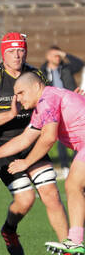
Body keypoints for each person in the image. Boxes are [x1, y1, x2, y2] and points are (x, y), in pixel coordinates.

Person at [0, 72, 85, 255]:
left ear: (37, 87)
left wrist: (26, 162)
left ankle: (74, 242)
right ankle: (75, 242)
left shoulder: (47, 98)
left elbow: (48, 138)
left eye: (21, 93)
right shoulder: (44, 105)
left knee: (73, 185)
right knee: (76, 188)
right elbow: (24, 139)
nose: (18, 99)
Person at [0, 32, 69, 255]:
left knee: (51, 193)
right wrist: (10, 114)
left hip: (33, 140)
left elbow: (49, 102)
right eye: (11, 51)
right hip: (3, 145)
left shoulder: (35, 74)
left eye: (21, 50)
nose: (17, 55)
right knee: (26, 199)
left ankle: (70, 250)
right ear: (3, 53)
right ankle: (9, 229)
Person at [40, 46, 84, 178]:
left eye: (58, 56)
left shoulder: (65, 68)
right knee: (59, 137)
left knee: (76, 135)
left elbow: (80, 64)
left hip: (69, 105)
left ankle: (77, 164)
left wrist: (63, 53)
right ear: (48, 56)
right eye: (55, 55)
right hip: (53, 106)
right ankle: (65, 166)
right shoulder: (42, 71)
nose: (57, 58)